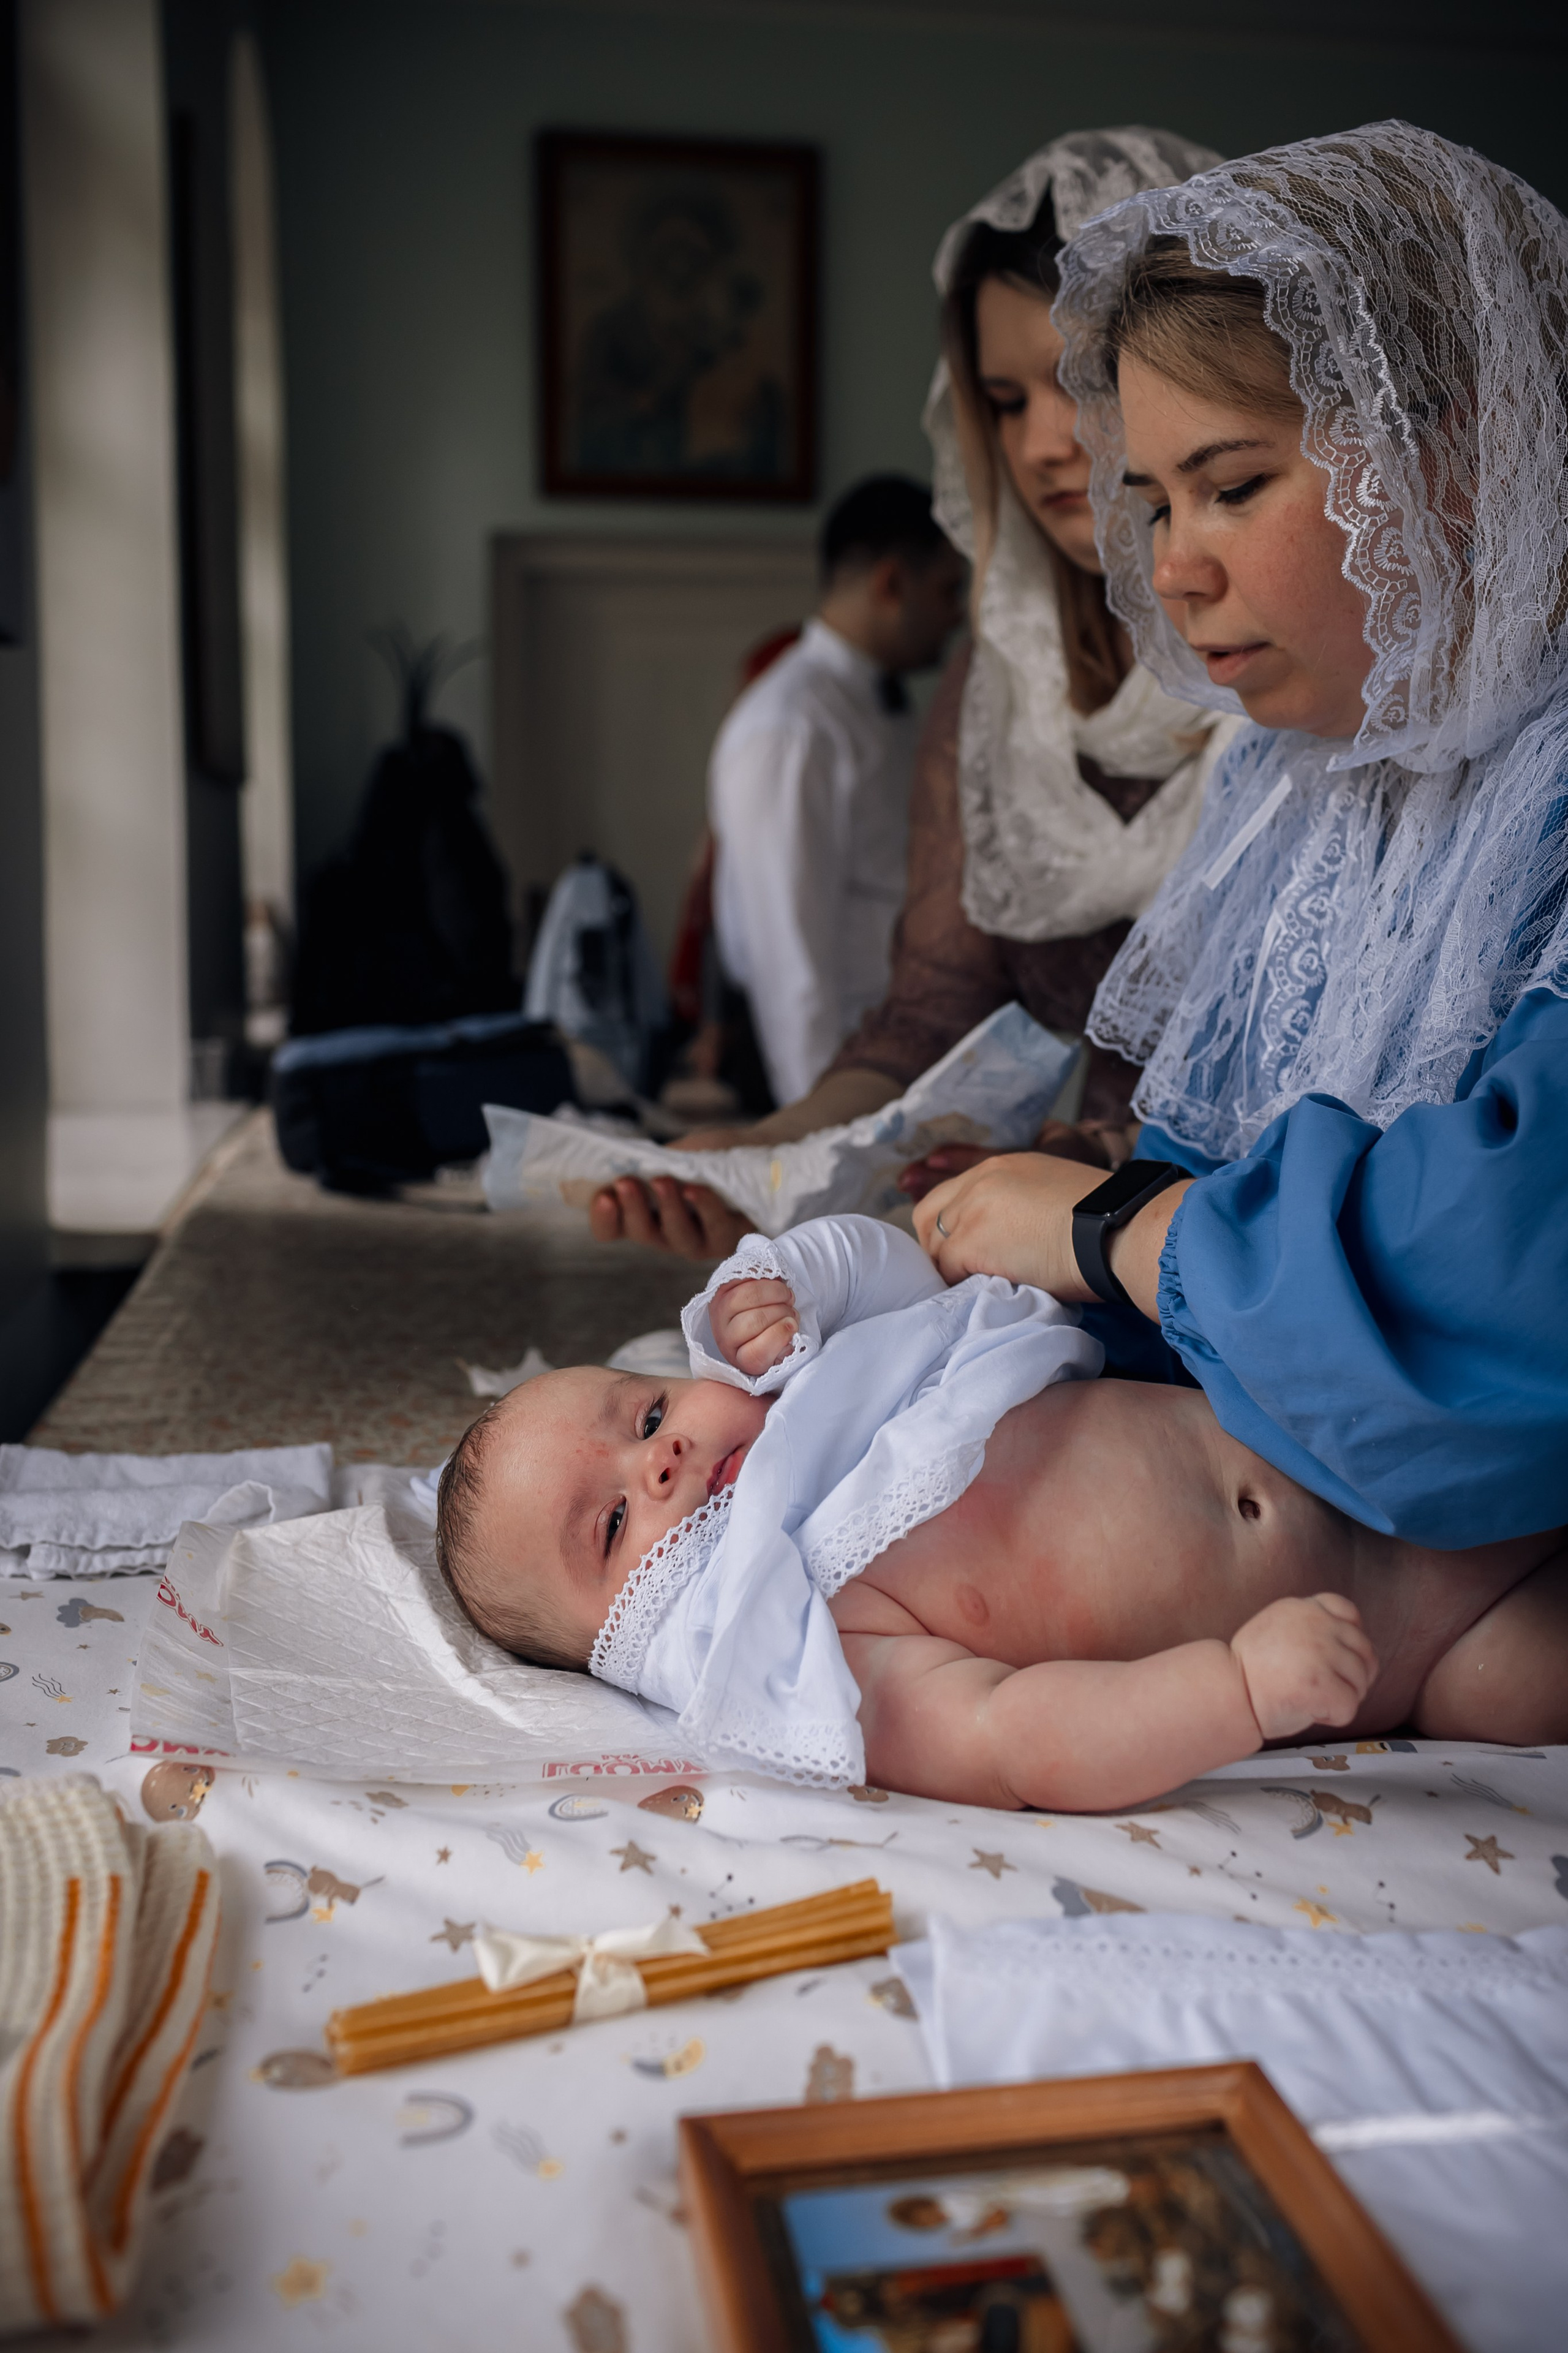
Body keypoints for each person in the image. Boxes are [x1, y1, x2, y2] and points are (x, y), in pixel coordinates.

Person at [914, 122, 1568, 1557]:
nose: (1168, 568)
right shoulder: (1295, 778)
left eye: (1229, 485)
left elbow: (1509, 1294)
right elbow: (1202, 1195)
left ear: (1450, 453)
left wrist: (1103, 1231)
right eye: (1149, 502)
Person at [589, 129, 1238, 1261]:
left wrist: (1099, 1161)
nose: (1041, 443)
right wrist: (763, 1157)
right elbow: (931, 1012)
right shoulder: (1000, 674)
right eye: (1000, 398)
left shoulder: (1293, 658)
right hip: (1070, 1244)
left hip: (1226, 1246)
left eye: (1078, 379)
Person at [433, 1216, 1566, 1812]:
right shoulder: (808, 1650)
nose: (663, 1461)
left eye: (641, 1418)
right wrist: (1235, 1692)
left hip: (1352, 1423)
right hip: (1418, 1649)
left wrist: (784, 1283)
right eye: (613, 1526)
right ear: (622, 1648)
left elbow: (902, 1276)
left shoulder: (821, 1390)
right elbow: (1016, 1738)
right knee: (1522, 1687)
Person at [706, 475, 967, 1108]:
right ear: (890, 585)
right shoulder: (791, 727)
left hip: (892, 1064)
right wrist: (824, 1133)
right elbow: (787, 960)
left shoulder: (881, 708)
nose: (959, 613)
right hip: (825, 1074)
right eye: (947, 588)